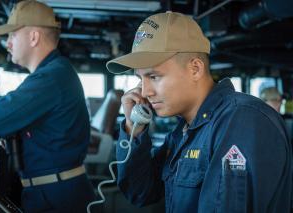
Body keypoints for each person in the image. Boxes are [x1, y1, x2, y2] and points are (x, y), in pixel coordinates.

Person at [106, 11, 292, 212]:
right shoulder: (184, 131)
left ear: (195, 68)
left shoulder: (242, 121)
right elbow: (140, 192)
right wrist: (134, 128)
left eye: (154, 76)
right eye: (140, 80)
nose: (145, 92)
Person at [0, 1, 95, 212]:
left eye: (12, 35)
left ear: (34, 37)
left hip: (56, 198)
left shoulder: (52, 77)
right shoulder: (54, 73)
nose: (8, 44)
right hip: (50, 192)